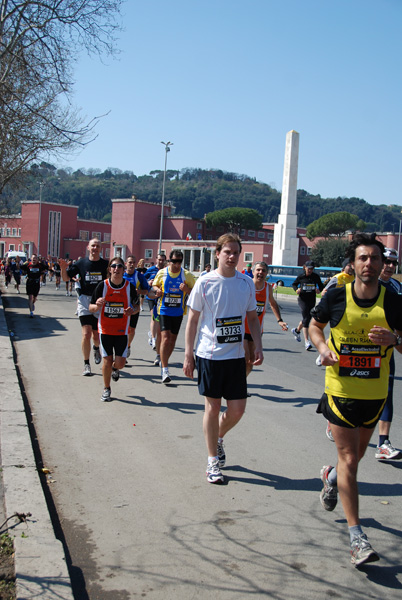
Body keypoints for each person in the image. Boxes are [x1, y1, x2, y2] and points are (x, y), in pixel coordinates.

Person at [309, 233, 402, 567]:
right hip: (341, 391)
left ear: (383, 264)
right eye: (363, 258)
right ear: (353, 263)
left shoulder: (393, 302)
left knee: (357, 456)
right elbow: (314, 326)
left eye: (375, 258)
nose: (369, 264)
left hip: (376, 394)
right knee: (350, 458)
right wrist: (323, 349)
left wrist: (395, 338)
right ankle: (357, 537)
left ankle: (330, 478)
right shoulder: (336, 295)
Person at [183, 234, 263, 484]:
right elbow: (193, 319)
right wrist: (188, 353)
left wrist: (258, 346)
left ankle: (217, 437)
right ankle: (212, 462)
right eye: (227, 251)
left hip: (236, 356)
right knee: (213, 407)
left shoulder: (246, 283)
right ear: (217, 253)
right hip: (209, 354)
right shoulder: (205, 282)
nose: (232, 256)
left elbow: (251, 318)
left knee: (238, 410)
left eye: (236, 252)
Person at [89, 257, 139, 401]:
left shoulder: (129, 287)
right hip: (105, 330)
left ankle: (115, 369)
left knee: (120, 363)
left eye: (119, 266)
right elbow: (91, 308)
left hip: (122, 331)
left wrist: (132, 311)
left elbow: (137, 307)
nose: (116, 269)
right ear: (110, 269)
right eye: (114, 266)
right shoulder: (102, 286)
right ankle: (106, 388)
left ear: (124, 270)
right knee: (106, 360)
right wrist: (97, 305)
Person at [60, 239, 109, 376]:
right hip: (85, 300)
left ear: (101, 248)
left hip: (99, 301)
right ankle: (86, 364)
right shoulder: (81, 263)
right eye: (93, 245)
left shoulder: (105, 265)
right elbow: (65, 278)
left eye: (98, 246)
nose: (95, 248)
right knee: (86, 333)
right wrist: (64, 268)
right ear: (88, 247)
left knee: (96, 335)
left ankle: (96, 348)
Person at [152, 250, 195, 383]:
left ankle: (165, 360)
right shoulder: (162, 273)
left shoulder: (186, 275)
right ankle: (165, 369)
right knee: (165, 338)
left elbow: (196, 291)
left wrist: (187, 290)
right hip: (164, 310)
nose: (177, 264)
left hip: (178, 312)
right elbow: (154, 285)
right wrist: (156, 290)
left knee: (172, 341)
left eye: (179, 261)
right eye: (175, 261)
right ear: (169, 261)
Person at [375, 247, 402, 460]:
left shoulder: (396, 288)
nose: (391, 266)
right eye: (387, 262)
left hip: (385, 352)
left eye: (394, 262)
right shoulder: (363, 284)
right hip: (357, 348)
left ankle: (383, 443)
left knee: (387, 393)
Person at [244, 261, 288, 377]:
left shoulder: (268, 288)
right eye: (258, 270)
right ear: (253, 272)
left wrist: (280, 320)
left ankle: (241, 383)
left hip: (256, 330)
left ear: (266, 273)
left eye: (263, 270)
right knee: (244, 357)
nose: (260, 272)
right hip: (242, 329)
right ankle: (237, 386)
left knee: (251, 361)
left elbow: (273, 304)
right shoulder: (246, 285)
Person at [123, 256, 153, 358]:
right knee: (121, 329)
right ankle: (121, 351)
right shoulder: (121, 275)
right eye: (130, 262)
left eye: (133, 262)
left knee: (131, 330)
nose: (131, 265)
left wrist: (138, 291)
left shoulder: (139, 276)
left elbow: (146, 291)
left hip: (134, 306)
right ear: (126, 263)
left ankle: (127, 345)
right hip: (122, 306)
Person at [291, 261, 324, 350]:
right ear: (304, 267)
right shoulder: (301, 277)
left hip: (311, 300)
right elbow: (294, 284)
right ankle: (307, 341)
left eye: (312, 269)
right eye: (308, 268)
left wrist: (319, 290)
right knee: (306, 319)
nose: (310, 270)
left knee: (307, 318)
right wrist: (297, 290)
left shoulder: (315, 277)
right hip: (303, 300)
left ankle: (297, 331)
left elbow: (321, 286)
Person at [144, 253, 166, 351]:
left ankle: (152, 334)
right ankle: (153, 339)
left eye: (162, 260)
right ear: (156, 259)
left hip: (160, 297)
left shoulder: (166, 271)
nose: (160, 261)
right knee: (154, 317)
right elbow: (143, 279)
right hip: (151, 297)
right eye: (159, 259)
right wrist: (148, 282)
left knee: (158, 319)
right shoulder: (151, 270)